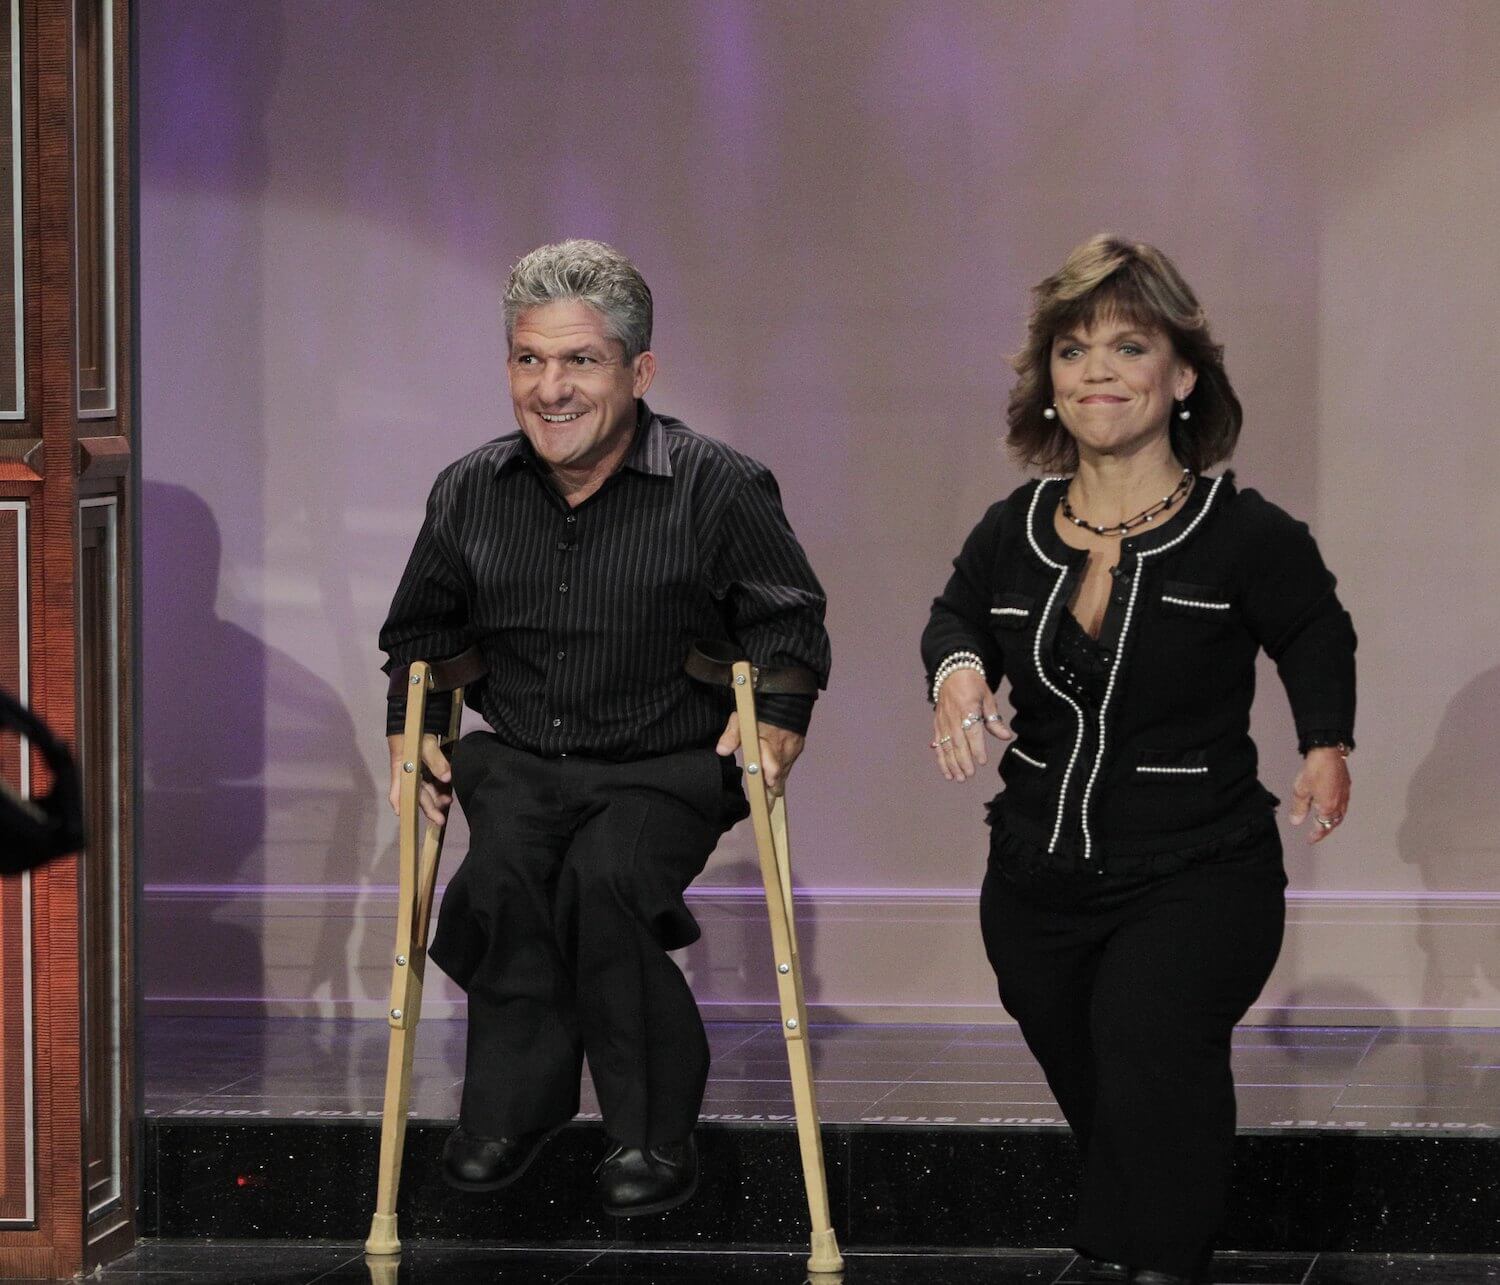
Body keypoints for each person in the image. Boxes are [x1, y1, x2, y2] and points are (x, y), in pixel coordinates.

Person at [920, 235, 1355, 1285]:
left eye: (1128, 345)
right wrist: (958, 675)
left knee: (1152, 1047)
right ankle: (1136, 1238)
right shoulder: (1011, 528)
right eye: (1073, 351)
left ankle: (1159, 1259)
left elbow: (1314, 632)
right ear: (1048, 380)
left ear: (1183, 373)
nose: (1098, 371)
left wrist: (1326, 747)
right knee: (1109, 1086)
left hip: (1199, 867)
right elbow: (956, 617)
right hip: (1034, 877)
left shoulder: (1243, 533)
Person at [379, 239, 830, 1216]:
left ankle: (650, 1133)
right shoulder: (469, 490)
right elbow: (421, 628)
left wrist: (783, 716)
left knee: (604, 884)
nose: (551, 387)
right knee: (501, 882)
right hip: (523, 761)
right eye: (529, 360)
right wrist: (406, 723)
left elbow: (787, 616)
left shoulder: (718, 484)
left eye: (579, 360)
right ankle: (515, 1108)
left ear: (638, 371)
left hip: (665, 763)